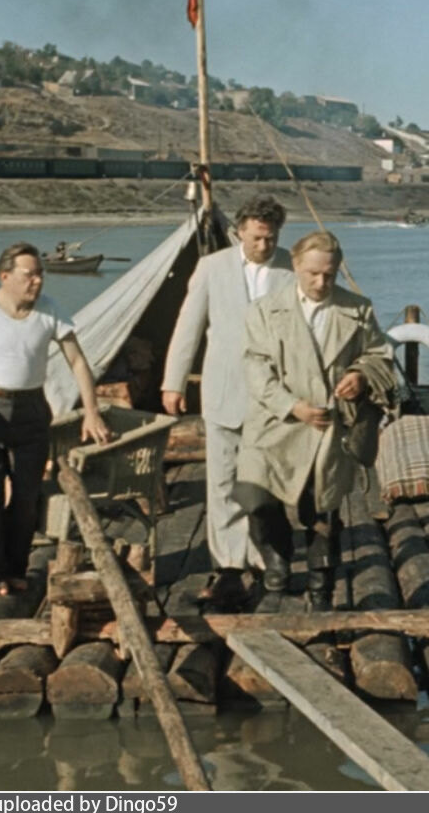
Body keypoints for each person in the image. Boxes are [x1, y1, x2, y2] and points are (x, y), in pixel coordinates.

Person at [0, 242, 110, 596]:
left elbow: (77, 361)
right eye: (29, 275)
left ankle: (17, 569)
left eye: (40, 274)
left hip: (31, 409)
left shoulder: (50, 311)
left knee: (27, 497)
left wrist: (91, 412)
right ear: (5, 277)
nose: (37, 282)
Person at [234, 231, 395, 611]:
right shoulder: (264, 311)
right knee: (254, 496)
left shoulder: (358, 309)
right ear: (295, 265)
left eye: (330, 275)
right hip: (276, 422)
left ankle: (321, 580)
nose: (322, 283)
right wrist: (291, 405)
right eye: (313, 274)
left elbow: (380, 355)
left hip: (329, 425)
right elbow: (255, 367)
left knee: (321, 507)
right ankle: (276, 557)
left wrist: (361, 375)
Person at [161, 196, 294, 609]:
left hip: (275, 397)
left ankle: (263, 556)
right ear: (240, 232)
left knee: (266, 484)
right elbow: (188, 325)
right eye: (257, 238)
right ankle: (230, 565)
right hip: (223, 391)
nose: (263, 246)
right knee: (221, 483)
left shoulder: (291, 267)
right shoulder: (212, 267)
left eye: (270, 239)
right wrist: (173, 382)